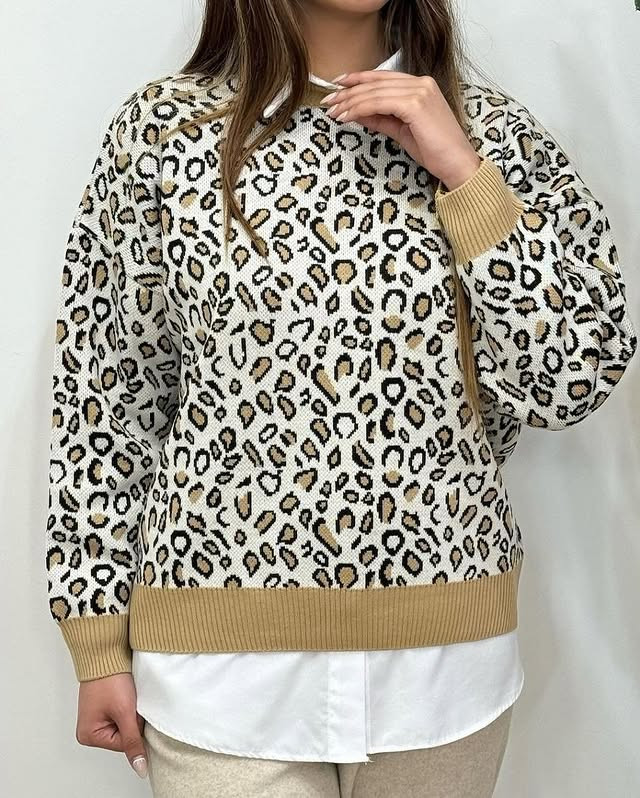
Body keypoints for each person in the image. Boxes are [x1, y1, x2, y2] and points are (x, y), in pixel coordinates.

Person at [45, 1, 637, 796]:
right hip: (217, 669)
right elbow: (107, 395)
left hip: (443, 665)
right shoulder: (162, 133)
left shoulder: (494, 135)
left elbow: (571, 381)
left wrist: (465, 176)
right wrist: (95, 641)